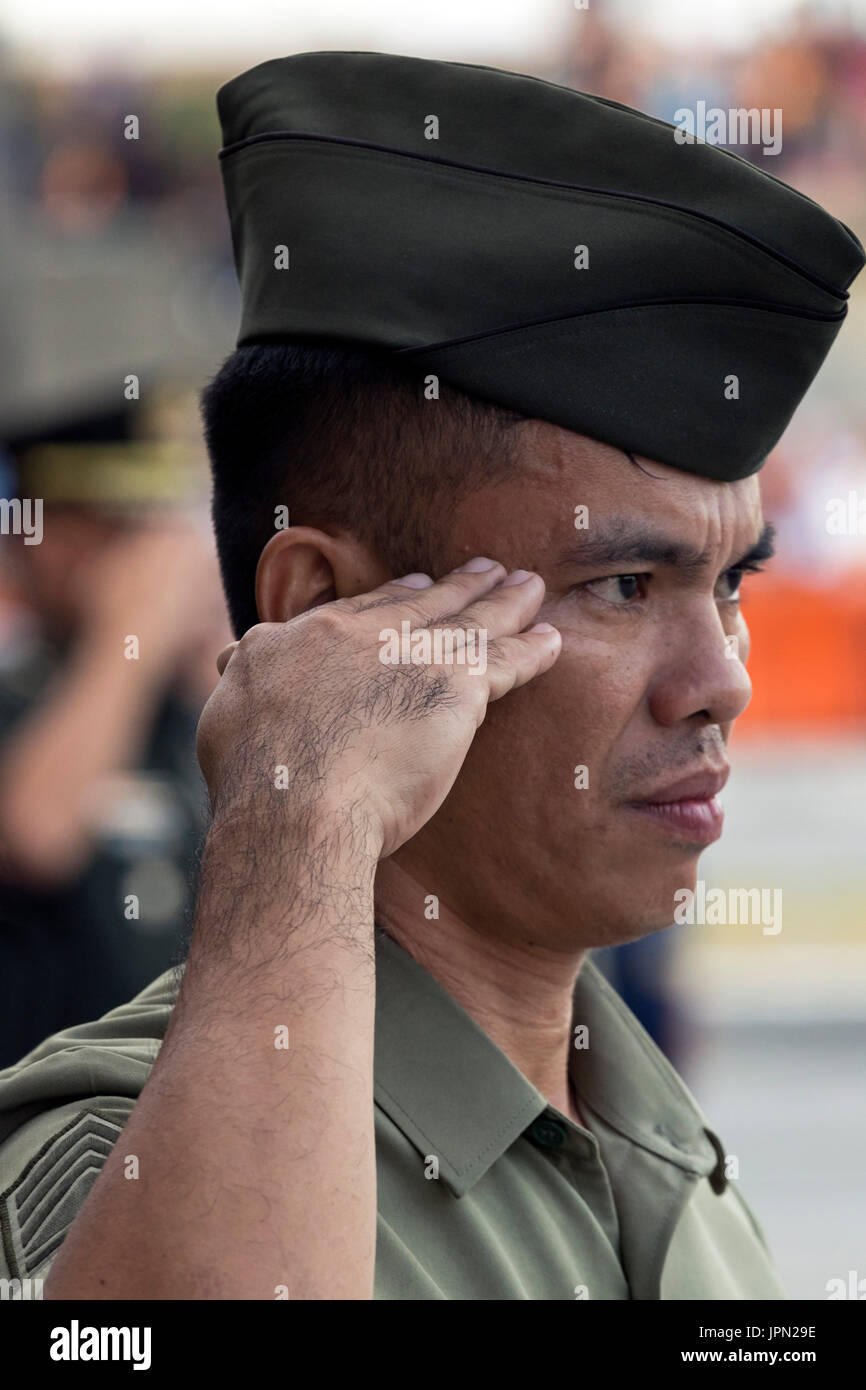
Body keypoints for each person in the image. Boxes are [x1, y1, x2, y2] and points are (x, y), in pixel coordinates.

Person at [0, 51, 862, 1300]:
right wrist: (303, 811)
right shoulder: (123, 1160)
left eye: (728, 583)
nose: (718, 680)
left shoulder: (644, 1140)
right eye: (620, 584)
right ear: (326, 610)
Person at [0, 392, 230, 1065]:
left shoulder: (170, 703)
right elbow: (36, 835)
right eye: (123, 529)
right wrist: (127, 634)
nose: (159, 561)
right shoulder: (32, 694)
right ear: (45, 537)